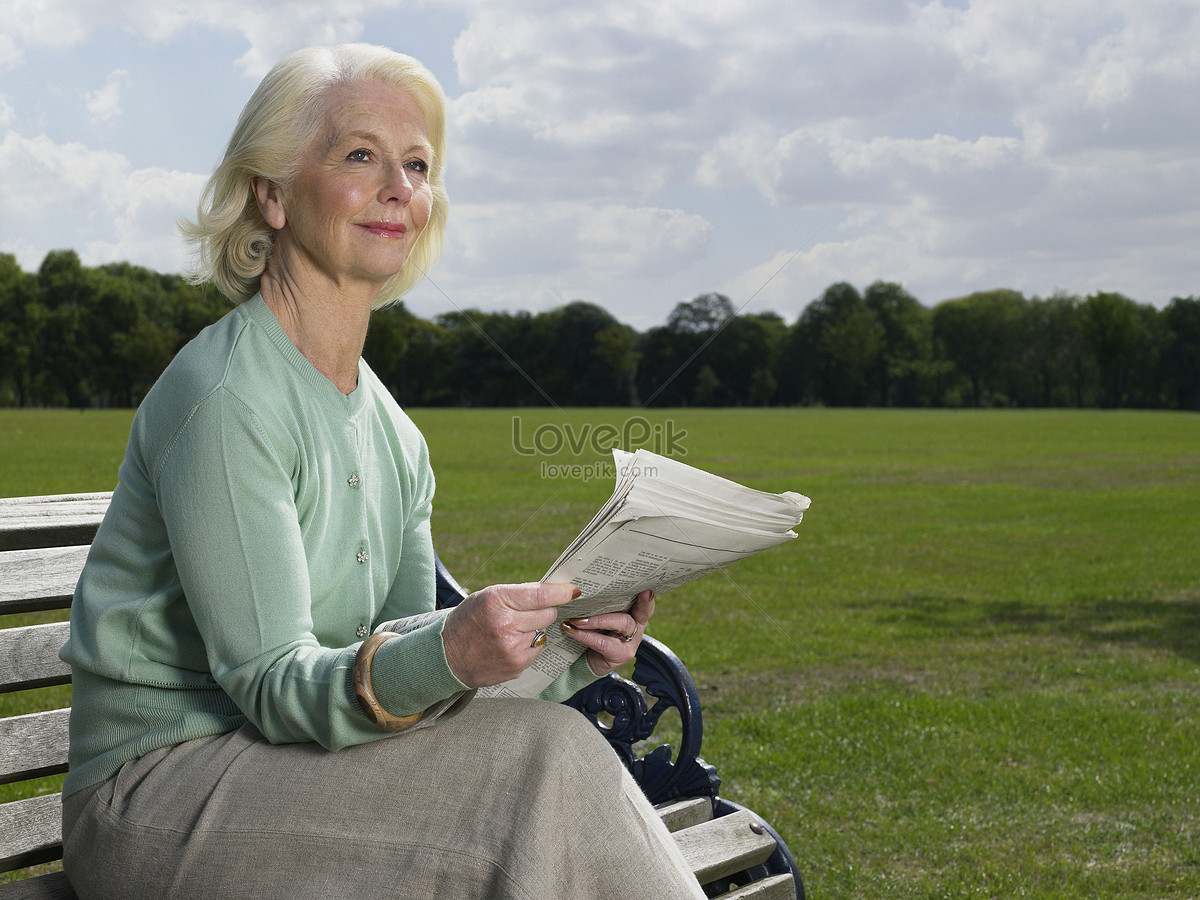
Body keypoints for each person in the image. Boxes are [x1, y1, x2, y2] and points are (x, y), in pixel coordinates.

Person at [59, 43, 705, 899]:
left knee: (547, 767)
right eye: (361, 155)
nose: (399, 186)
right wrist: (449, 648)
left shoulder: (395, 433)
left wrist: (563, 654)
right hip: (155, 796)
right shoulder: (225, 397)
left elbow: (403, 691)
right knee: (548, 770)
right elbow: (277, 687)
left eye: (416, 164)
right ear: (273, 194)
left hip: (298, 768)